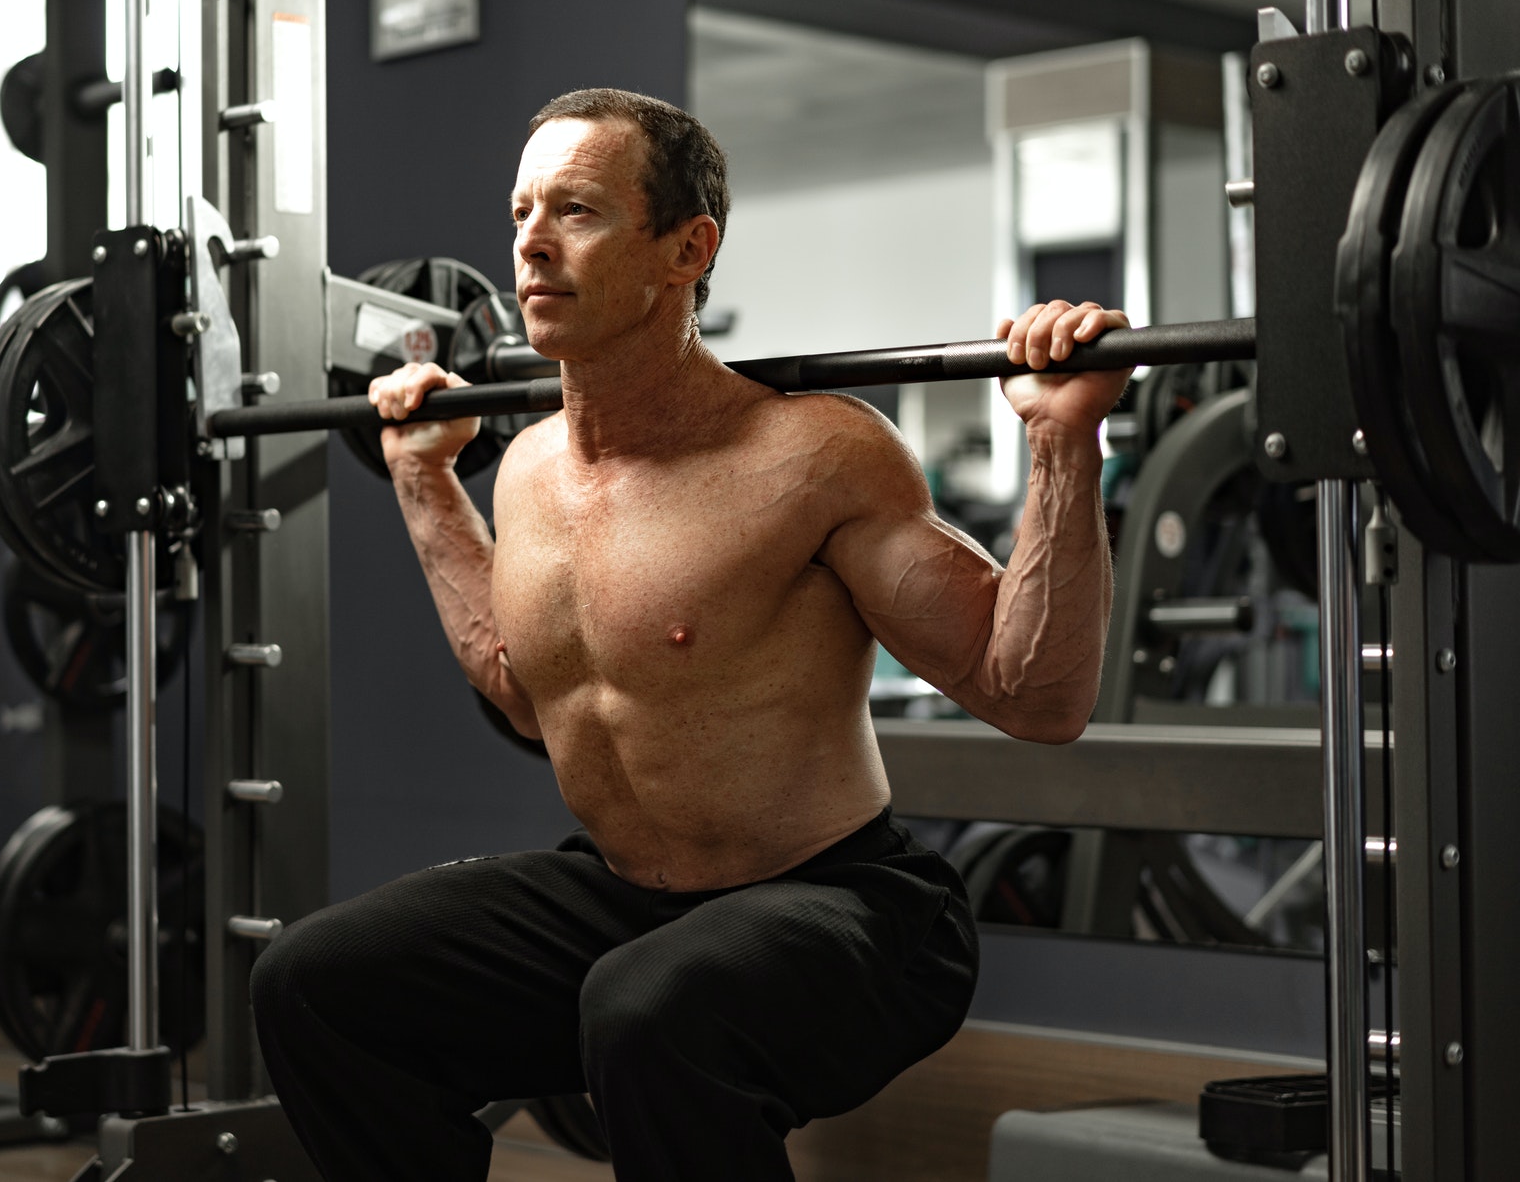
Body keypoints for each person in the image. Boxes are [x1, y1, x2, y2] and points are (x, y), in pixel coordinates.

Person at [252, 88, 1132, 1181]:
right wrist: (425, 477)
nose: (529, 241)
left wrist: (1061, 439)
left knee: (650, 1007)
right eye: (520, 210)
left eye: (573, 210)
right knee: (318, 980)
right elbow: (525, 696)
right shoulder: (527, 470)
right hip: (628, 897)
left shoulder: (807, 456)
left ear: (685, 247)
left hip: (846, 907)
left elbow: (1033, 695)